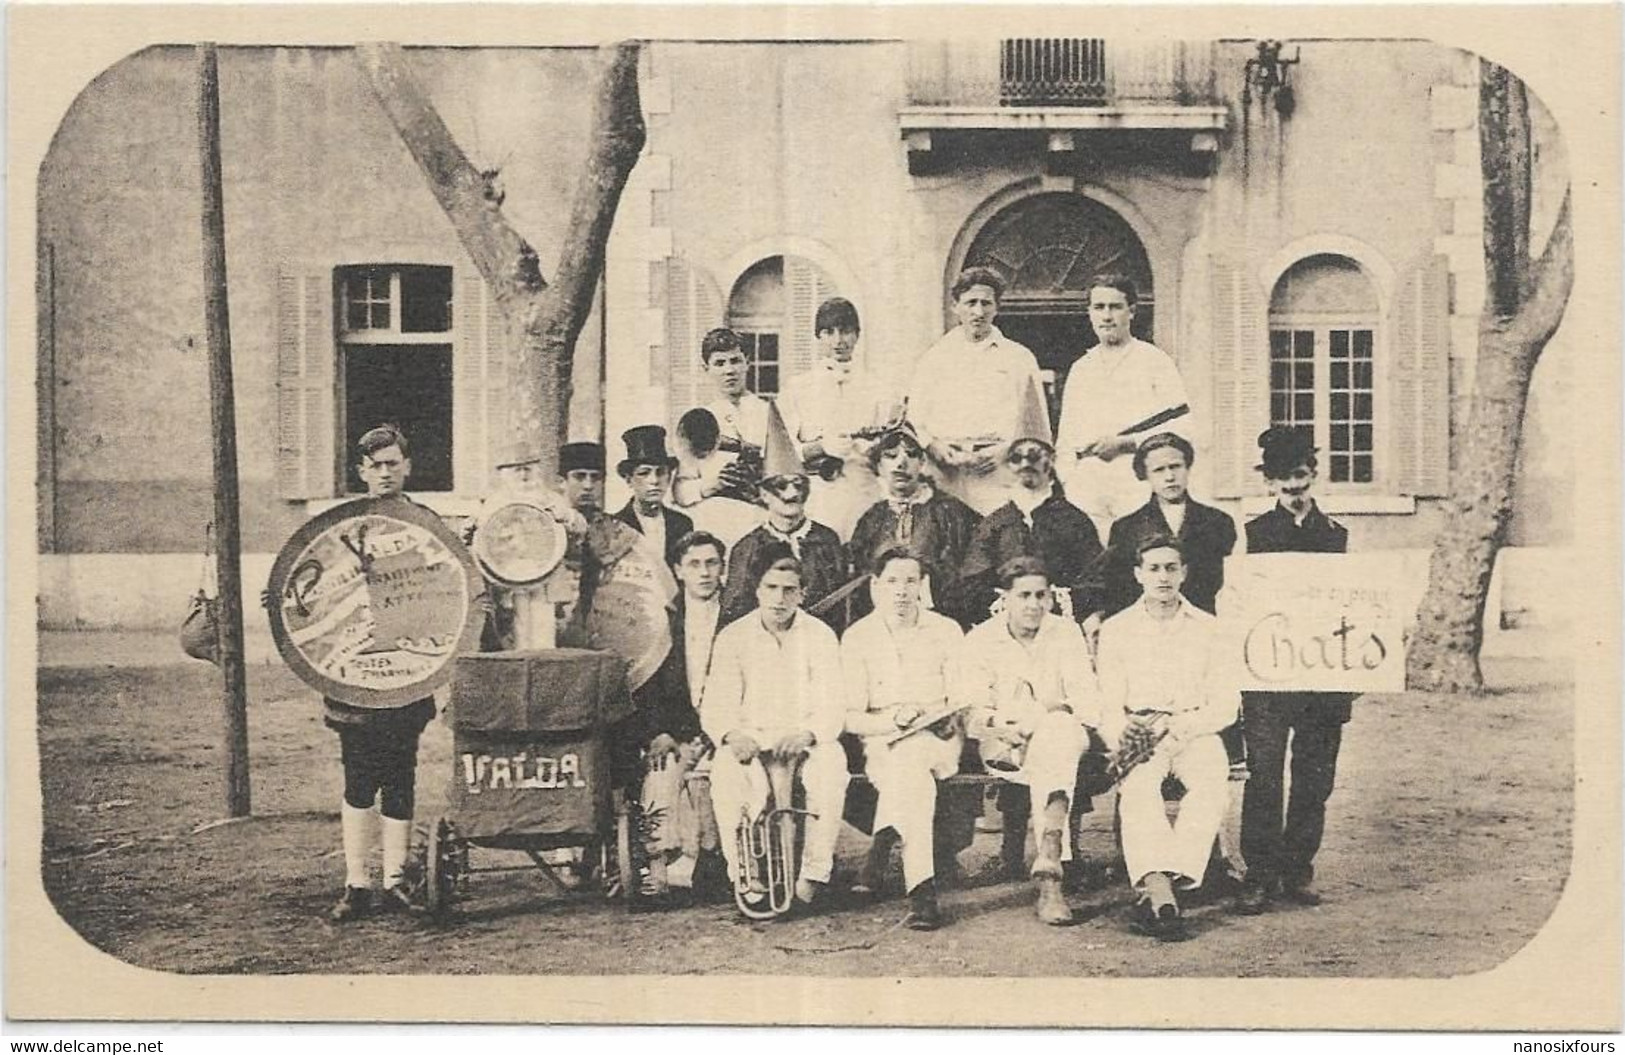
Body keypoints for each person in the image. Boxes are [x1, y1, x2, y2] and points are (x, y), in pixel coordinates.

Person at [295, 424, 443, 922]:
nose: (385, 473)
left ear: (408, 467)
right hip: (354, 677)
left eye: (393, 464)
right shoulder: (337, 530)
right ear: (362, 471)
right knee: (359, 779)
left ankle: (397, 880)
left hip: (404, 674)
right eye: (375, 466)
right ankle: (358, 884)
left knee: (401, 776)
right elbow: (309, 594)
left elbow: (446, 595)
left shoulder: (425, 525)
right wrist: (282, 602)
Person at [1232, 427, 1356, 915]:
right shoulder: (1254, 534)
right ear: (1269, 482)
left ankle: (1297, 869)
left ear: (1314, 475)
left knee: (1314, 777)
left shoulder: (1336, 536)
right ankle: (1259, 874)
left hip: (1322, 680)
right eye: (1282, 478)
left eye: (1300, 476)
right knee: (1264, 775)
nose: (1292, 488)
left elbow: (1352, 605)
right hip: (1268, 679)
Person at [1096, 534, 1239, 940]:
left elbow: (1227, 705)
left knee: (1212, 787)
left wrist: (1185, 727)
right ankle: (1162, 893)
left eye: (1171, 568)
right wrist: (1124, 735)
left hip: (1196, 730)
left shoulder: (1211, 629)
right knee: (1140, 787)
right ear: (1139, 574)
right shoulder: (1117, 629)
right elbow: (1109, 704)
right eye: (1154, 569)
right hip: (1142, 732)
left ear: (1185, 573)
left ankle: (1161, 890)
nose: (1163, 577)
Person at [700, 548, 847, 910]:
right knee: (725, 773)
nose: (779, 598)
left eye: (789, 590)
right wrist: (733, 735)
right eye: (771, 588)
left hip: (804, 739)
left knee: (831, 771)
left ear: (802, 594)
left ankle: (812, 874)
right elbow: (717, 702)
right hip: (750, 738)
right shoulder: (734, 636)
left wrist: (809, 733)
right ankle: (745, 876)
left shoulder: (821, 635)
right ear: (758, 590)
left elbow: (834, 701)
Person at [963, 557, 1100, 925]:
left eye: (1042, 595)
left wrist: (1044, 714)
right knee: (1054, 745)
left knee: (1056, 733)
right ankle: (1051, 857)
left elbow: (1087, 702)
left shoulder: (1066, 633)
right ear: (1004, 597)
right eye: (1023, 595)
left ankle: (1050, 875)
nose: (1033, 604)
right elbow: (972, 709)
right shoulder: (981, 639)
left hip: (1062, 735)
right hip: (1004, 743)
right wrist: (998, 723)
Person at [841, 546, 969, 931]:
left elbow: (963, 693)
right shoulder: (858, 636)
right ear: (876, 586)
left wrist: (950, 717)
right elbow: (849, 716)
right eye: (892, 582)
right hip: (883, 739)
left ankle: (887, 857)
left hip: (939, 738)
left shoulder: (945, 630)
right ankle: (921, 887)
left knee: (912, 762)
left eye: (910, 581)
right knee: (909, 773)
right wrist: (893, 722)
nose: (901, 591)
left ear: (922, 586)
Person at [1055, 275, 1194, 537]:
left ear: (1131, 311)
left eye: (1115, 307)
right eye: (1099, 307)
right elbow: (1066, 436)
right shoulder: (1081, 368)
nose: (1107, 316)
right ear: (1089, 313)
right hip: (1087, 485)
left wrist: (1127, 443)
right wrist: (1069, 478)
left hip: (1136, 480)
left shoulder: (1154, 361)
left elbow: (1181, 426)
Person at [906, 266, 1046, 516]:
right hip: (947, 474)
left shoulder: (1019, 358)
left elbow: (1036, 425)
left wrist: (1005, 452)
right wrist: (935, 448)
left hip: (999, 473)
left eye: (986, 303)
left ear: (997, 307)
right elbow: (915, 422)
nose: (978, 312)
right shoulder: (934, 358)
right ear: (955, 306)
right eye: (971, 303)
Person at [776, 297, 901, 540]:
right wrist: (820, 447)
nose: (838, 341)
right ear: (818, 336)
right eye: (828, 332)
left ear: (856, 335)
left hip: (863, 491)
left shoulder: (878, 387)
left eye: (845, 331)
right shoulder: (798, 388)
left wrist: (874, 449)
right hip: (817, 497)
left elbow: (892, 446)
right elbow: (782, 454)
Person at [719, 401, 849, 629]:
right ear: (764, 494)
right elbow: (733, 617)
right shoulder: (747, 548)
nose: (791, 494)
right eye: (781, 486)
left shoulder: (827, 541)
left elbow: (843, 611)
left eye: (798, 485)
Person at [848, 424, 982, 629]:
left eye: (911, 455)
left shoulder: (951, 512)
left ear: (922, 462)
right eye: (891, 456)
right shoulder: (871, 519)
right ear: (879, 466)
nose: (902, 463)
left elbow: (977, 571)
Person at [1104, 433, 1236, 617]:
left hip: (1203, 625)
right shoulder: (1126, 528)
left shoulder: (1218, 522)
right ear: (1145, 475)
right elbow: (1119, 590)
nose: (1170, 477)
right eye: (1159, 470)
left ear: (1188, 468)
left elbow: (1229, 585)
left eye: (1175, 467)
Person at [673, 328, 771, 510]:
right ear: (706, 369)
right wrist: (711, 485)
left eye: (735, 361)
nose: (729, 370)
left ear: (747, 363)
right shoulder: (697, 421)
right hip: (716, 518)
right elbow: (680, 492)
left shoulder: (769, 413)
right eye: (719, 363)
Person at [612, 425, 695, 567]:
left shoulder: (682, 524)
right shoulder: (615, 526)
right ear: (629, 479)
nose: (655, 481)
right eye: (644, 473)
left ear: (669, 477)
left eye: (661, 472)